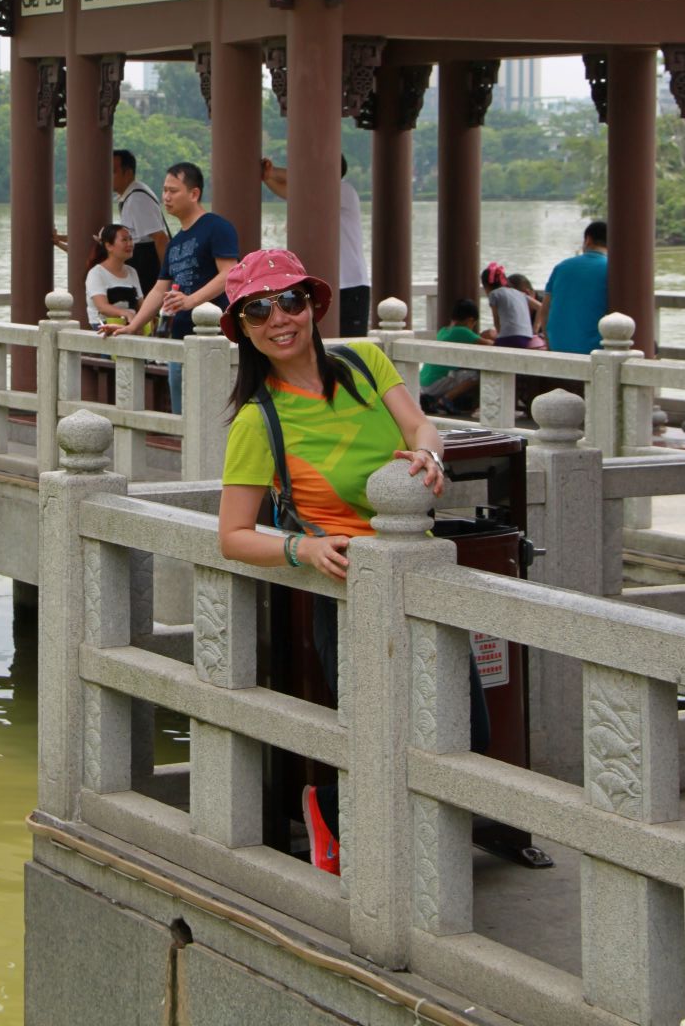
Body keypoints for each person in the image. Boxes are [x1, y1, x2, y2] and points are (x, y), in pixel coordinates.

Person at [217, 247, 449, 875]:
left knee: (462, 734)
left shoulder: (366, 362)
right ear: (242, 329)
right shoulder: (258, 420)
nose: (279, 319)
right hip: (351, 588)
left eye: (290, 301)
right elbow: (233, 536)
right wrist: (304, 547)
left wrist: (429, 456)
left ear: (313, 306)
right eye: (259, 311)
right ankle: (352, 835)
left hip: (424, 573)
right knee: (380, 736)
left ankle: (404, 856)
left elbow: (420, 427)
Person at [108, 162, 238, 413]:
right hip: (179, 340)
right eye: (164, 190)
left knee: (213, 414)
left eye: (173, 191)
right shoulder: (175, 242)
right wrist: (133, 326)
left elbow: (229, 274)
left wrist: (191, 301)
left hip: (214, 340)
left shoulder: (217, 227)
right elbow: (159, 290)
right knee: (181, 416)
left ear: (194, 193)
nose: (166, 197)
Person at [261, 154, 371, 335]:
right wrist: (267, 177)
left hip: (351, 285)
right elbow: (291, 192)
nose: (308, 173)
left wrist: (272, 173)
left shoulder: (345, 191)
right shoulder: (317, 193)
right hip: (328, 285)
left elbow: (304, 182)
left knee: (351, 345)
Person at [536, 221, 608, 354]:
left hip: (559, 348)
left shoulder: (561, 267)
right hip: (595, 352)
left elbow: (544, 311)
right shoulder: (611, 268)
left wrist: (550, 345)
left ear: (588, 240)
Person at [419, 296, 493, 415]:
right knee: (477, 375)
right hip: (435, 383)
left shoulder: (443, 331)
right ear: (470, 320)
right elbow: (491, 345)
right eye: (474, 324)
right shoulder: (462, 331)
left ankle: (434, 400)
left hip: (423, 382)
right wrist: (493, 334)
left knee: (460, 373)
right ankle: (445, 400)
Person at [112, 149, 169, 299]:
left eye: (113, 172)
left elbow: (160, 238)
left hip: (146, 265)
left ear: (128, 173)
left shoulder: (137, 199)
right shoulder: (132, 196)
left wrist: (166, 278)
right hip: (140, 262)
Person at [84, 224, 143, 331]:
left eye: (130, 239)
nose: (130, 244)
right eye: (124, 240)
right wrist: (126, 314)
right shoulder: (96, 273)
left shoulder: (132, 271)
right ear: (109, 246)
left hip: (130, 325)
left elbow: (141, 304)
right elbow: (102, 307)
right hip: (104, 327)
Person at [480, 263, 535, 348]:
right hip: (526, 337)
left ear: (486, 286)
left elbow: (496, 320)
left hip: (508, 338)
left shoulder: (493, 294)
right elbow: (540, 307)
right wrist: (535, 328)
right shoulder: (519, 293)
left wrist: (499, 335)